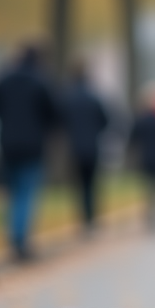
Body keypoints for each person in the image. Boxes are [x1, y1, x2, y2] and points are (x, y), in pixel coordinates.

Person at [0, 45, 58, 260]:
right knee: (26, 192)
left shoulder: (4, 79)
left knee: (13, 192)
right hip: (32, 145)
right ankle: (20, 241)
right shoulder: (41, 81)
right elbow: (53, 112)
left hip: (7, 144)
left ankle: (13, 237)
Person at [58, 62, 109, 231]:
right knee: (91, 183)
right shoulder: (93, 97)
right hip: (92, 146)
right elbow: (105, 120)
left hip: (74, 147)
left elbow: (61, 122)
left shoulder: (67, 98)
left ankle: (82, 218)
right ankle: (91, 218)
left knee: (79, 184)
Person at [128, 82, 155, 226]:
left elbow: (133, 138)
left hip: (146, 157)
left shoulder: (141, 119)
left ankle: (151, 212)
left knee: (149, 185)